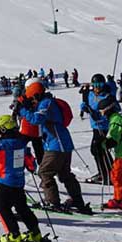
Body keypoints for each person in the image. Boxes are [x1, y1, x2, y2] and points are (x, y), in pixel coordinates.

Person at [16, 77, 90, 214]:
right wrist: (26, 105)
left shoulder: (46, 103)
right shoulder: (46, 102)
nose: (32, 101)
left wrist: (22, 110)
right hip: (61, 143)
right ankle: (77, 201)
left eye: (32, 98)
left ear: (36, 95)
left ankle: (53, 202)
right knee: (64, 174)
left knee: (44, 172)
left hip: (58, 145)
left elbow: (36, 119)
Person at [81, 74, 115, 184]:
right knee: (96, 150)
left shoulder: (107, 96)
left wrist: (100, 116)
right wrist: (85, 108)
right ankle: (104, 173)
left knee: (101, 150)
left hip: (104, 127)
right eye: (95, 85)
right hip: (95, 127)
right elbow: (85, 104)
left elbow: (115, 110)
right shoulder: (90, 94)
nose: (97, 87)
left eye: (100, 84)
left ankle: (109, 174)